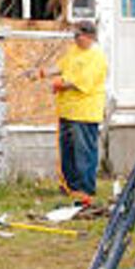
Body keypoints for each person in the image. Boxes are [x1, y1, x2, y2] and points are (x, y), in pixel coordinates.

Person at [41, 21, 107, 206]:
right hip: (67, 111)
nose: (75, 39)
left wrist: (59, 84)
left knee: (84, 151)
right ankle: (71, 187)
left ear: (90, 36)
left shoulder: (96, 56)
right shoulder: (74, 51)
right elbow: (61, 67)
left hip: (85, 112)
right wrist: (42, 73)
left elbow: (80, 81)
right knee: (68, 151)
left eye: (78, 36)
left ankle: (86, 189)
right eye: (74, 36)